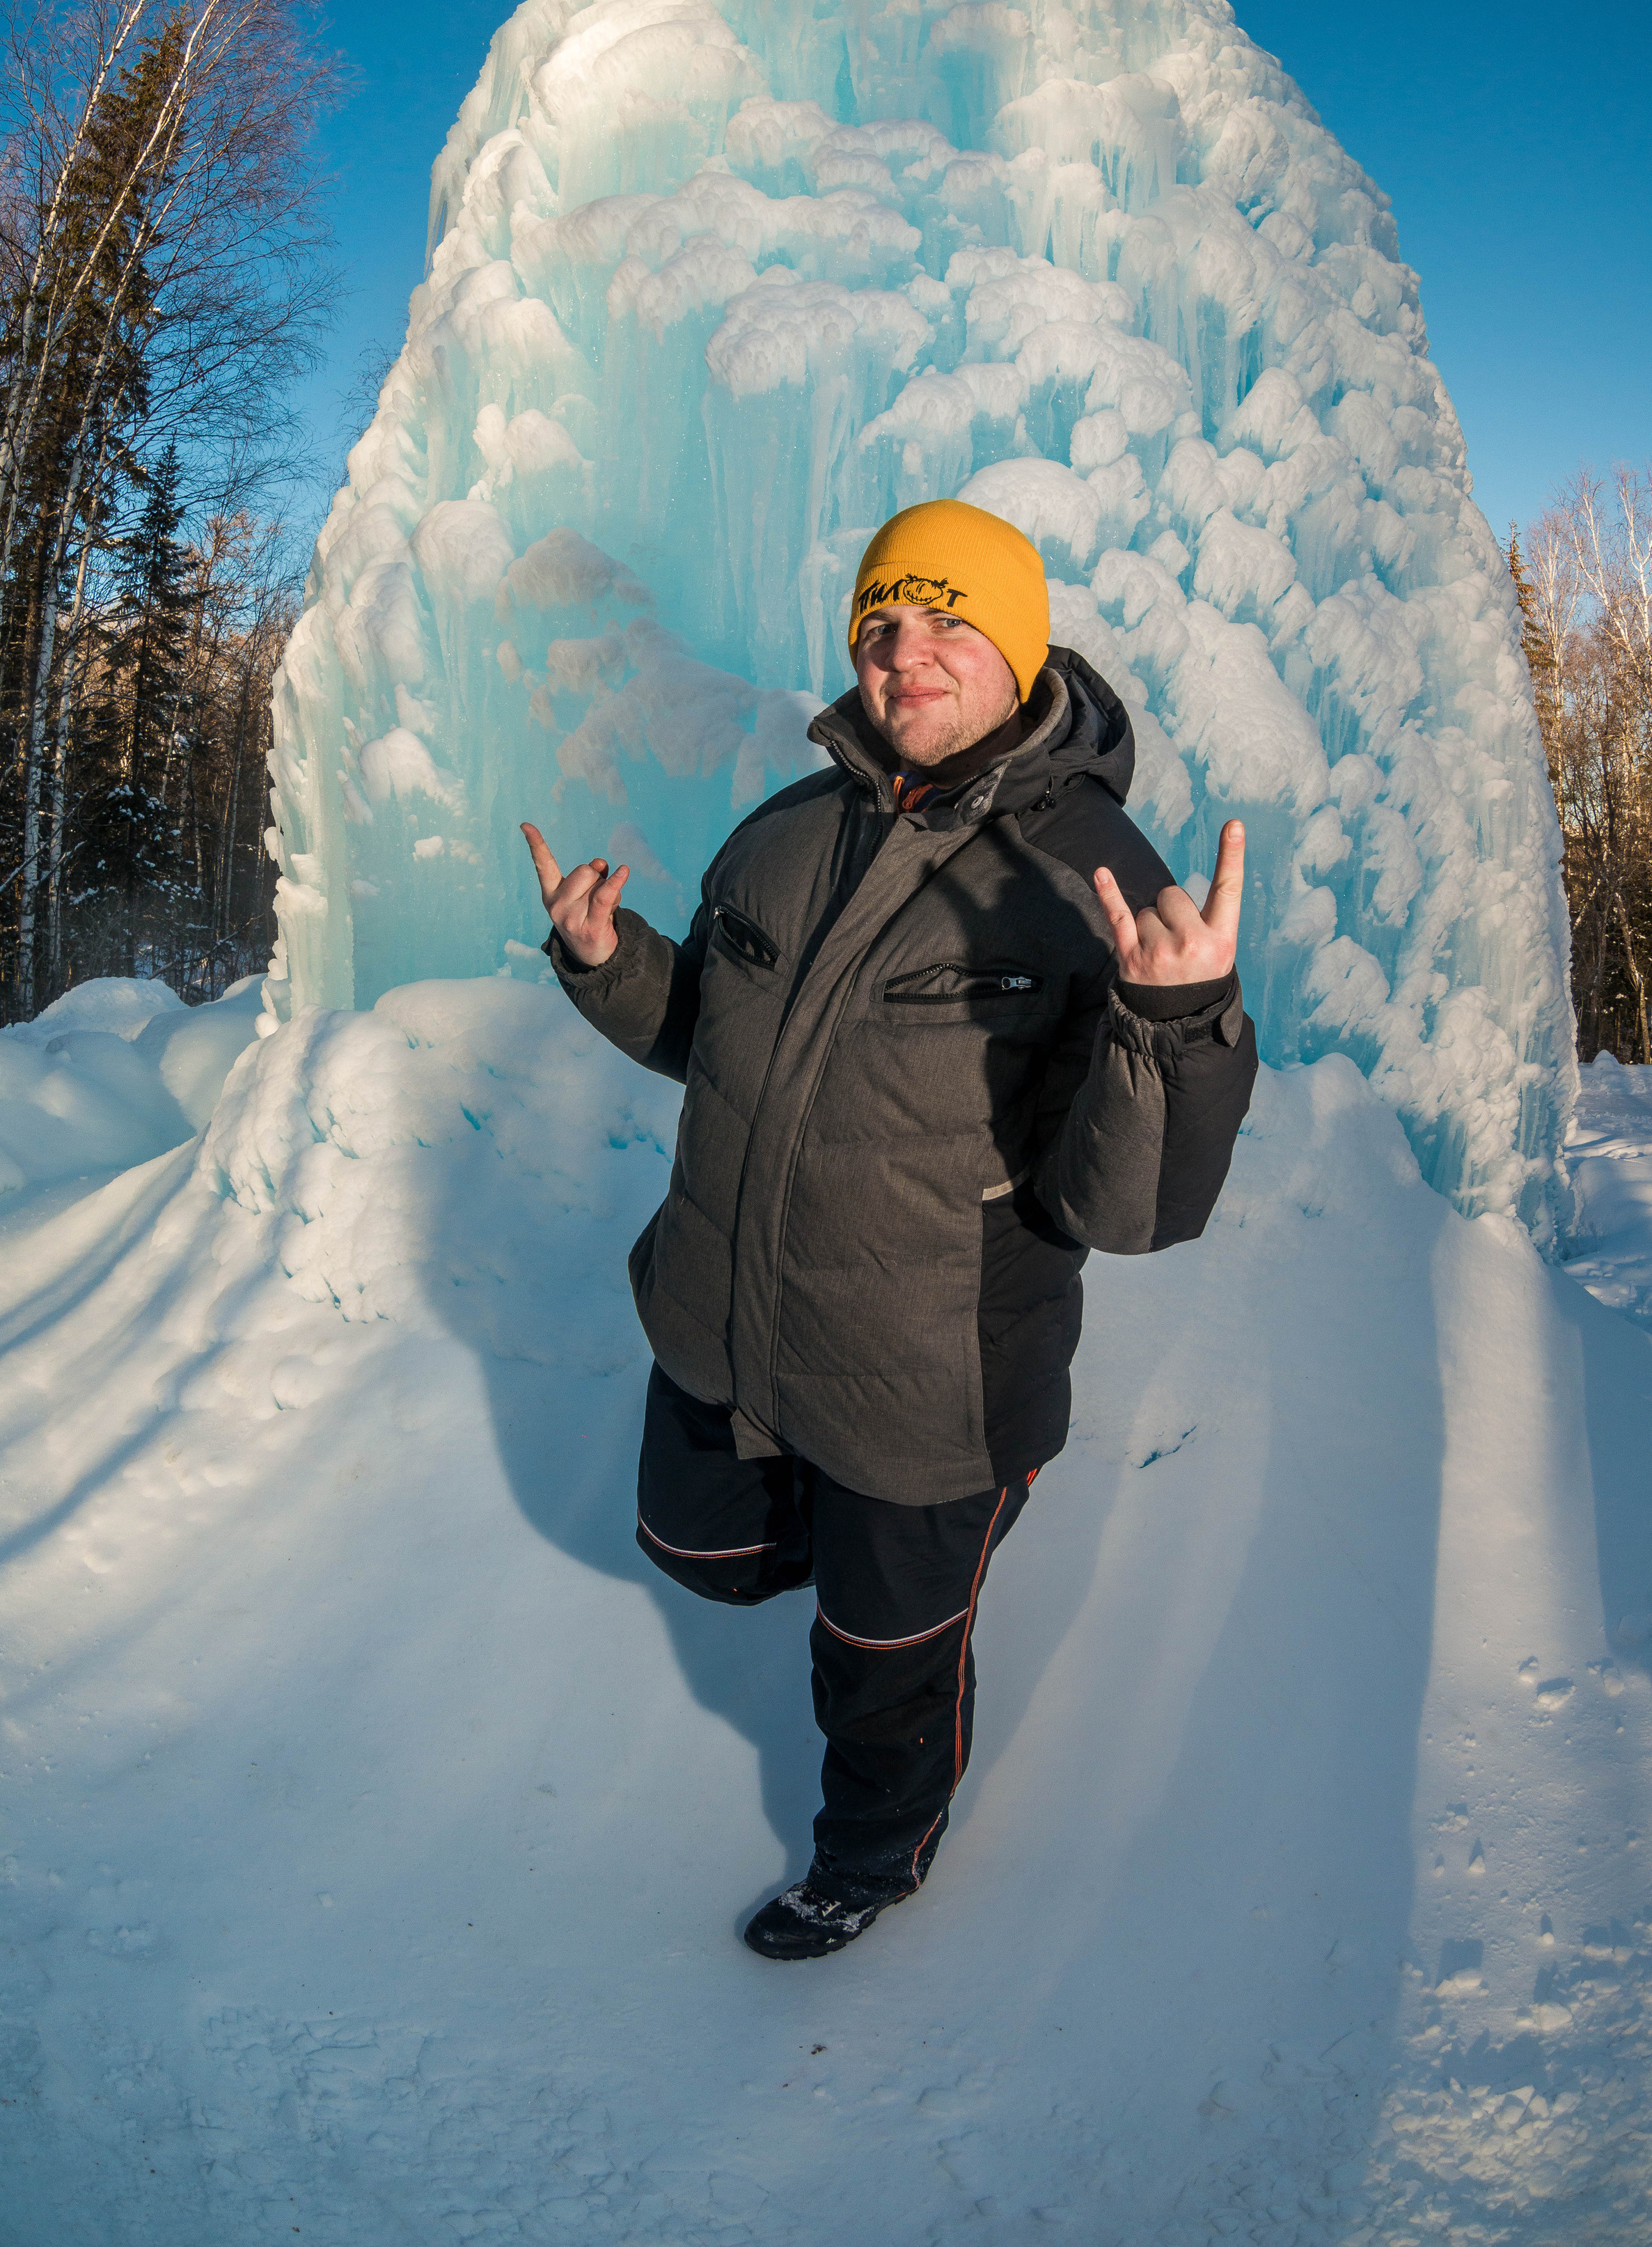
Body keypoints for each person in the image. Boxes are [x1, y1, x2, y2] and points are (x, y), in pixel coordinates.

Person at [521, 498, 1257, 1962]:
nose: (903, 653)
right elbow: (715, 1035)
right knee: (696, 1546)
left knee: (881, 1669)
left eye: (946, 621)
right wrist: (608, 964)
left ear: (1019, 647)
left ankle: (871, 1857)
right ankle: (848, 1552)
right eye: (880, 622)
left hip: (929, 1386)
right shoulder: (787, 830)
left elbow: (1132, 1208)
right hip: (733, 1324)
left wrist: (1175, 1026)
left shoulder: (1091, 876)